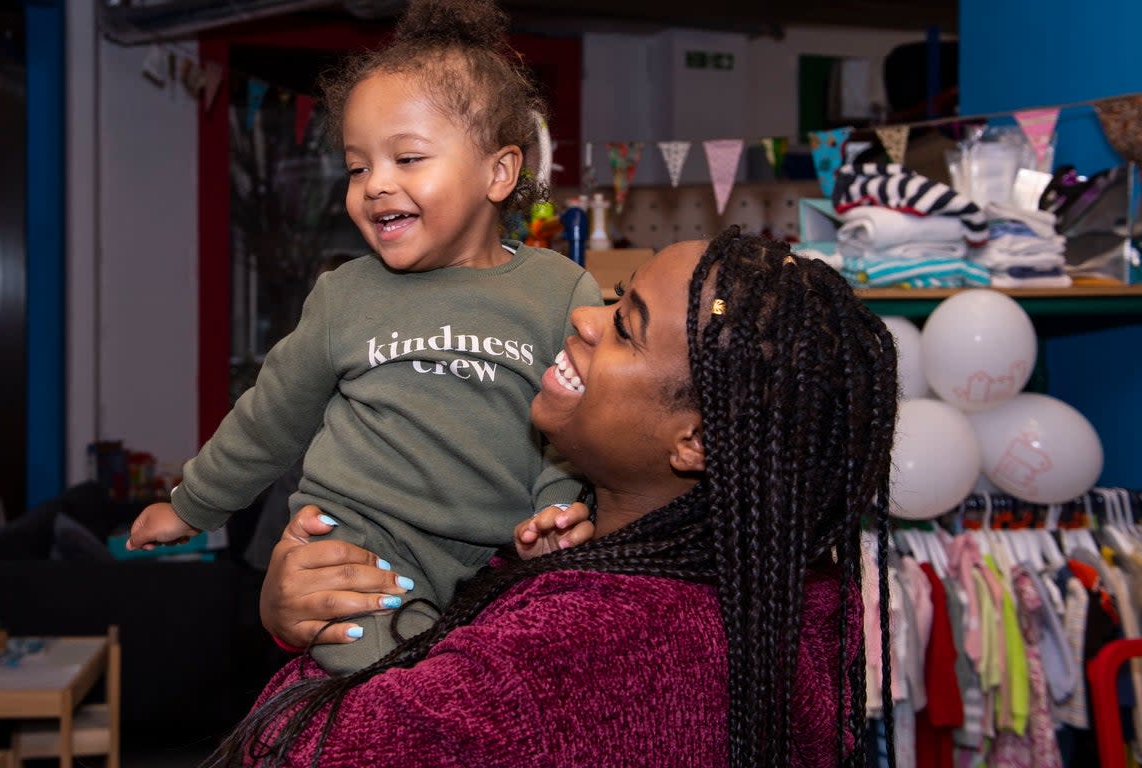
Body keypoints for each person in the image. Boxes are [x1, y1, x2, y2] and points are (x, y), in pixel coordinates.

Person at [213, 229, 900, 768]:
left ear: (695, 440)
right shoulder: (775, 595)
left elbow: (288, 747)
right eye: (613, 296)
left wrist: (310, 635)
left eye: (625, 327)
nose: (583, 318)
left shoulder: (578, 652)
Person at [127, 0, 603, 675]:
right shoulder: (345, 297)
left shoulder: (559, 291)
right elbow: (269, 418)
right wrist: (193, 505)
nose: (374, 184)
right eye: (357, 167)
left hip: (496, 554)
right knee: (384, 669)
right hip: (361, 542)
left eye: (407, 159)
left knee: (522, 668)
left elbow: (573, 430)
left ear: (499, 171)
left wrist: (558, 514)